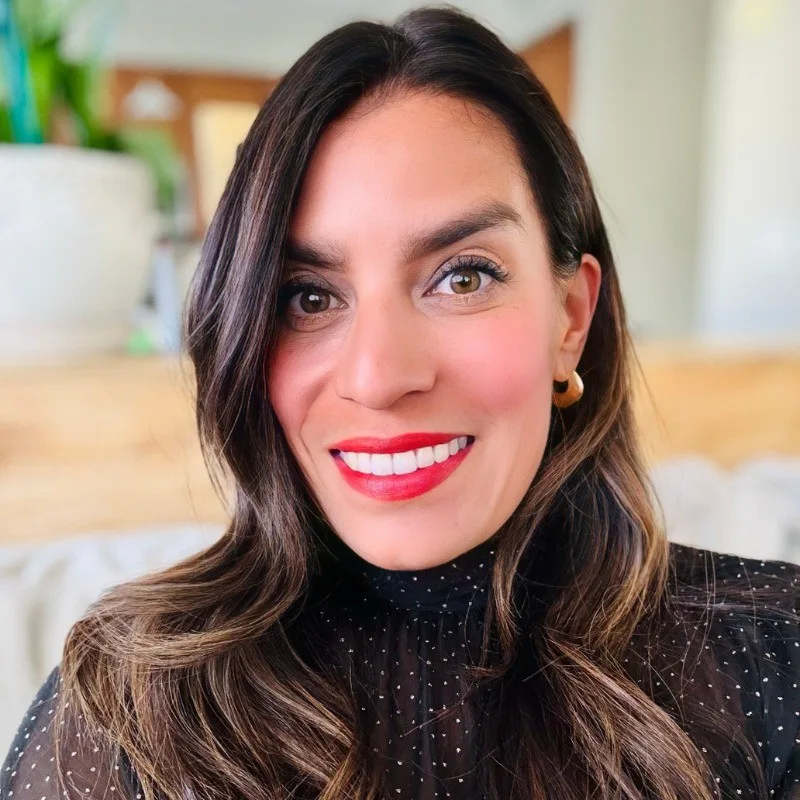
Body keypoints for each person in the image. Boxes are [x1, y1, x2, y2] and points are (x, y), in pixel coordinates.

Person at [3, 7, 799, 800]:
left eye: (463, 277)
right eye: (308, 296)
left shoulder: (775, 653)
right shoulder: (127, 700)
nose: (378, 377)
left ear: (570, 318)